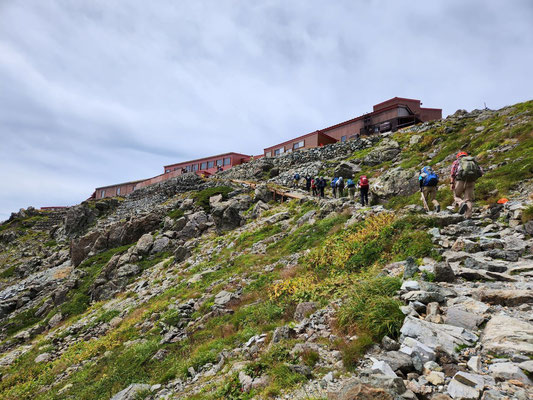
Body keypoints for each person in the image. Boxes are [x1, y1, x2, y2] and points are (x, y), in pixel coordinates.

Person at [450, 151, 483, 219]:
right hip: (471, 181)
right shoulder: (473, 161)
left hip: (460, 181)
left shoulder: (457, 162)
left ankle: (461, 203)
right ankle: (468, 216)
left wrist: (452, 183)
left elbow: (452, 174)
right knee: (468, 199)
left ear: (458, 156)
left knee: (456, 196)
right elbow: (481, 172)